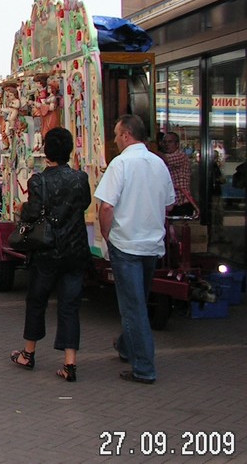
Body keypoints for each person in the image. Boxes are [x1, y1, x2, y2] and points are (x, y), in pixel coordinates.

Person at [94, 115, 174, 384]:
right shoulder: (159, 164)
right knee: (138, 300)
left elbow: (106, 206)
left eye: (117, 135)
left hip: (126, 243)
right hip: (151, 244)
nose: (115, 140)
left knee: (133, 307)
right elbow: (169, 204)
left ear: (126, 135)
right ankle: (127, 347)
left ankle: (144, 367)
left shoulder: (121, 164)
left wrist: (106, 234)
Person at [9, 128, 92, 381]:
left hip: (47, 251)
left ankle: (28, 353)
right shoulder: (80, 178)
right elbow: (84, 204)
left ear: (46, 151)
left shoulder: (38, 181)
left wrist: (22, 207)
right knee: (70, 306)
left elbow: (33, 212)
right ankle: (69, 363)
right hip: (75, 250)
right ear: (69, 150)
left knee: (37, 301)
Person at [159, 132, 198, 216]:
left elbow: (165, 159)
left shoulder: (180, 156)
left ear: (177, 144)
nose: (166, 145)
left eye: (170, 142)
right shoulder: (162, 160)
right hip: (171, 203)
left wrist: (149, 149)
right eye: (164, 142)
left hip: (182, 203)